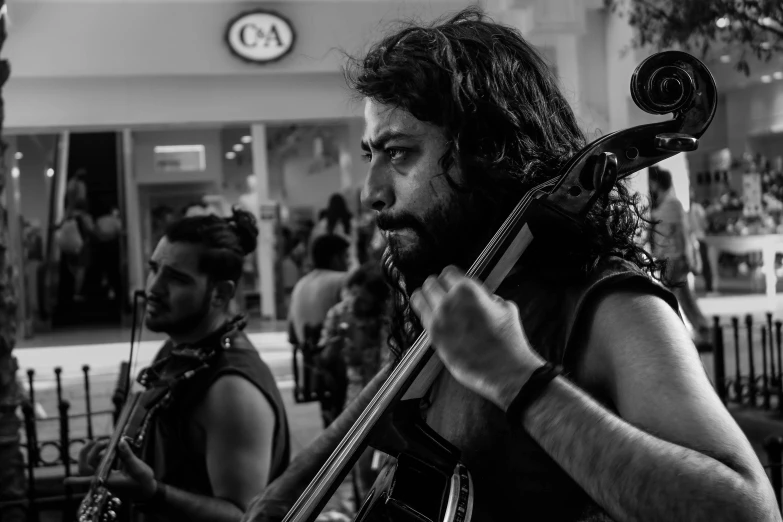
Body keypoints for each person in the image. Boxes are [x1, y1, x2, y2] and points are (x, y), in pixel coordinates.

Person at [243, 8, 779, 522]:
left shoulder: (609, 305)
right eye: (371, 156)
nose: (371, 193)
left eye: (399, 153)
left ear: (486, 152)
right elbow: (356, 425)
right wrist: (275, 503)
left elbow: (747, 510)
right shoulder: (471, 296)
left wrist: (518, 379)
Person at [69, 208, 291, 522]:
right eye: (154, 269)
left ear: (220, 293)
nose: (153, 288)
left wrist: (153, 494)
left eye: (175, 278)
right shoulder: (177, 348)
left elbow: (244, 516)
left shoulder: (232, 389)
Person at [318, 263, 391, 500]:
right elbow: (323, 359)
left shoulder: (387, 317)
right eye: (354, 293)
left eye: (364, 297)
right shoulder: (339, 313)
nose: (356, 301)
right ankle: (362, 502)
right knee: (359, 456)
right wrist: (333, 349)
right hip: (353, 392)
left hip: (387, 393)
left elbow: (388, 364)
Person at [288, 234, 351, 427]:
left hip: (311, 368)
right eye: (345, 256)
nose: (348, 262)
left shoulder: (300, 284)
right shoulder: (343, 280)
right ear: (335, 258)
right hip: (338, 367)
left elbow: (292, 334)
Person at [649, 168, 712, 349]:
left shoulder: (672, 204)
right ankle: (702, 330)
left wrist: (687, 257)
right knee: (683, 297)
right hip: (672, 258)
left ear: (657, 183)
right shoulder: (667, 203)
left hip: (674, 258)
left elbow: (682, 234)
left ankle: (680, 335)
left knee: (670, 297)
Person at [310, 194, 359, 269]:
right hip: (350, 260)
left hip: (330, 263)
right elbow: (355, 242)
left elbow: (316, 242)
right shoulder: (351, 222)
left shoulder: (324, 224)